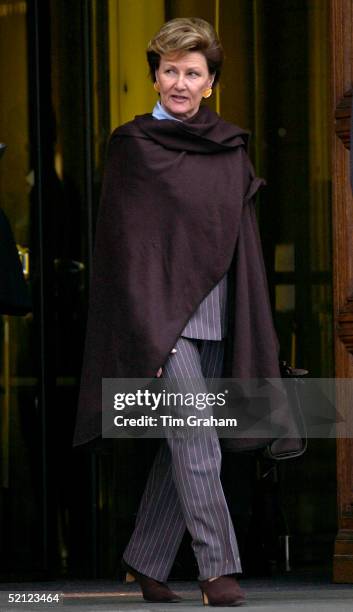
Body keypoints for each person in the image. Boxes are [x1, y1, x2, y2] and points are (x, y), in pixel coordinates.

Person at [74, 16, 281, 607]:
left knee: (188, 442)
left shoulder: (230, 148)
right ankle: (218, 571)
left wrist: (251, 324)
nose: (180, 83)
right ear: (155, 77)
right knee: (198, 444)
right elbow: (125, 251)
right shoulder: (133, 147)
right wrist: (148, 338)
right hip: (164, 327)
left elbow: (239, 245)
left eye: (193, 72)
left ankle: (145, 559)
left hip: (218, 317)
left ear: (211, 81)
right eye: (170, 71)